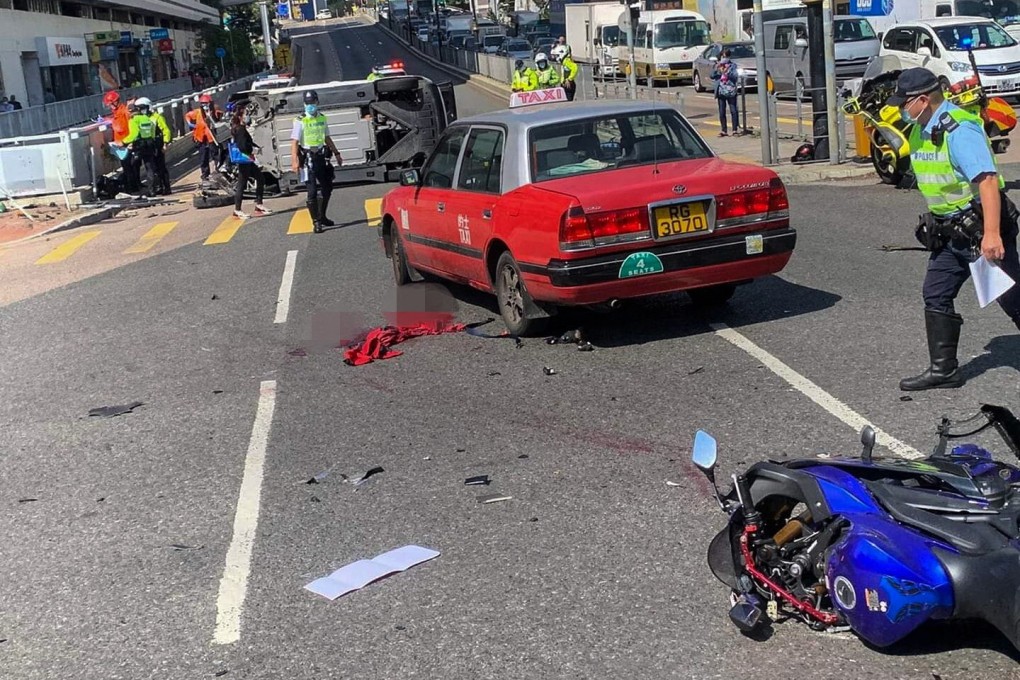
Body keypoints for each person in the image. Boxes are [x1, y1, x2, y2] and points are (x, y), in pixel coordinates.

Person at [886, 67, 1020, 390]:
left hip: (978, 230)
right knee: (935, 291)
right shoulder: (921, 128)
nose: (900, 109)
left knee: (1012, 298)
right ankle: (944, 370)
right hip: (950, 233)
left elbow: (986, 181)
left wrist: (991, 234)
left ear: (922, 100)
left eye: (905, 103)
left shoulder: (958, 129)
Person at [290, 90, 341, 233]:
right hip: (308, 159)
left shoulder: (322, 118)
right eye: (307, 103)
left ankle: (322, 215)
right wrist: (295, 160)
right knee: (312, 191)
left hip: (321, 157)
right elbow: (294, 142)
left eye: (312, 102)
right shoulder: (300, 120)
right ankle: (316, 222)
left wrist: (336, 153)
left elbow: (327, 137)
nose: (310, 106)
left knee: (327, 188)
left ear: (317, 102)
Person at [229, 111, 273, 219]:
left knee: (260, 178)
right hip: (245, 159)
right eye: (245, 114)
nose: (247, 116)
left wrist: (255, 146)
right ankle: (237, 210)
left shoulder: (239, 128)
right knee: (241, 184)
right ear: (240, 116)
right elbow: (243, 146)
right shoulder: (240, 129)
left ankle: (259, 204)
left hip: (247, 160)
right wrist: (253, 150)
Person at [121, 97, 162, 197]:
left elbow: (134, 134)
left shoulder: (134, 120)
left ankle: (135, 188)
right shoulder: (146, 118)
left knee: (133, 166)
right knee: (150, 168)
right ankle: (152, 190)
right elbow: (152, 132)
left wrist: (123, 142)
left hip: (139, 145)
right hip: (150, 144)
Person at [104, 90, 139, 193]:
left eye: (110, 104)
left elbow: (131, 126)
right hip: (120, 144)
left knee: (130, 167)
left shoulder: (125, 111)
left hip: (127, 142)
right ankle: (132, 187)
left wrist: (131, 141)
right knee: (127, 166)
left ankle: (132, 188)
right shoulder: (117, 113)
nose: (110, 107)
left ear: (115, 102)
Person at [185, 93, 218, 181]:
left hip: (212, 138)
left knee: (216, 155)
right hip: (201, 139)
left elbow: (219, 117)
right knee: (203, 158)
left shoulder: (214, 112)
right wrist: (190, 123)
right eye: (202, 104)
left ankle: (219, 172)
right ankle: (205, 175)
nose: (204, 106)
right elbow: (187, 115)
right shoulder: (197, 112)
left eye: (206, 103)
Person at [146, 99, 173, 195]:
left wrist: (165, 143)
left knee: (161, 167)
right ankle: (158, 187)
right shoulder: (142, 118)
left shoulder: (157, 117)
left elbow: (166, 131)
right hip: (150, 146)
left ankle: (167, 187)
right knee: (153, 169)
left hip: (158, 144)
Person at [711, 49, 739, 137]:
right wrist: (717, 69)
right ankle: (724, 130)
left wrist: (727, 71)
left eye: (725, 56)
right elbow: (712, 75)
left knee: (733, 110)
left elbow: (735, 77)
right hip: (721, 91)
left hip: (730, 90)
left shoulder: (732, 65)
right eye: (723, 56)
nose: (724, 58)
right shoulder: (718, 65)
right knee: (722, 111)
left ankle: (735, 129)